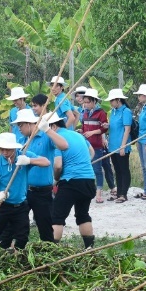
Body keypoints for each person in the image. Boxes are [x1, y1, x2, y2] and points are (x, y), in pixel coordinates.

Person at [0, 132, 50, 249]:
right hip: (2, 205)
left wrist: (29, 161)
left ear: (14, 148)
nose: (5, 152)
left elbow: (46, 162)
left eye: (8, 149)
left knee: (22, 237)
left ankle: (18, 255)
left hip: (20, 206)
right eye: (2, 149)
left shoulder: (23, 156)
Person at [41, 112, 97, 248]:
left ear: (53, 126)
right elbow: (92, 152)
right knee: (83, 214)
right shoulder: (77, 135)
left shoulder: (57, 140)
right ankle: (89, 248)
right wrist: (83, 164)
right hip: (89, 180)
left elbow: (58, 165)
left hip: (71, 182)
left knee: (57, 216)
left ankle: (51, 250)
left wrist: (56, 179)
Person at [13, 108, 60, 242]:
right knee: (18, 225)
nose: (19, 128)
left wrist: (48, 130)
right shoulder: (21, 141)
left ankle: (49, 250)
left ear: (29, 124)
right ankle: (18, 250)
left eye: (20, 125)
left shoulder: (45, 137)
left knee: (45, 227)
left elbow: (63, 145)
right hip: (24, 191)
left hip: (42, 192)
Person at [79, 89, 112, 203]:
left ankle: (99, 193)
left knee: (98, 169)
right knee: (88, 169)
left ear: (94, 101)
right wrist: (81, 131)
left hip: (97, 146)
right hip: (86, 145)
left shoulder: (101, 113)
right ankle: (90, 190)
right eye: (84, 102)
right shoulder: (85, 113)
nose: (86, 104)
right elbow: (84, 127)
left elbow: (104, 128)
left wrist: (92, 132)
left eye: (88, 102)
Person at [105, 89, 133, 203]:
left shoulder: (126, 111)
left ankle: (123, 194)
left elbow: (127, 129)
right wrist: (107, 125)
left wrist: (123, 146)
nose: (111, 103)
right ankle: (119, 192)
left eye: (112, 100)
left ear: (118, 100)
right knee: (117, 169)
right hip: (113, 145)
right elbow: (115, 126)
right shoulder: (113, 111)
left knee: (124, 169)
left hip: (122, 145)